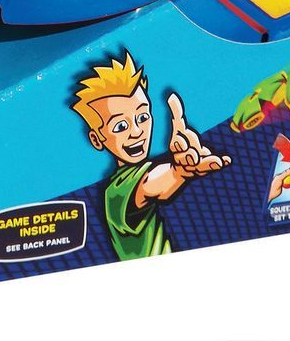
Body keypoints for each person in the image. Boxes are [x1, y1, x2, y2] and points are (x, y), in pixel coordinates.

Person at [72, 53, 230, 260]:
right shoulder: (116, 192)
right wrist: (179, 171)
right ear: (96, 139)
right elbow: (149, 185)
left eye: (143, 117)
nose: (137, 131)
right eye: (121, 126)